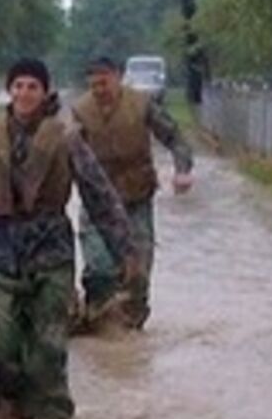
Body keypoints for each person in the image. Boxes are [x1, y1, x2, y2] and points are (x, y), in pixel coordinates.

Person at [0, 57, 140, 419]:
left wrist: (125, 251)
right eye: (18, 86)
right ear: (9, 90)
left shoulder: (67, 139)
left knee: (49, 349)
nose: (24, 93)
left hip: (50, 253)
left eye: (32, 87)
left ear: (44, 92)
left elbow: (98, 194)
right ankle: (14, 404)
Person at [72, 55, 194, 330]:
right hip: (97, 206)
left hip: (136, 199)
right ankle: (97, 325)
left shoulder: (141, 105)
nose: (99, 91)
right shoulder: (80, 112)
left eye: (104, 83)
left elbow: (174, 137)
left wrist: (182, 169)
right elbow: (63, 153)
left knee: (137, 272)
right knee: (100, 269)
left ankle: (130, 333)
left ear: (118, 77)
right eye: (93, 86)